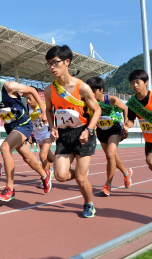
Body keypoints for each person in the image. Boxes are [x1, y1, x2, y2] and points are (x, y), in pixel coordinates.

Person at [0, 58, 53, 202]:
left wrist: (43, 112)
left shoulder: (8, 86)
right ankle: (45, 175)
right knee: (27, 157)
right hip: (10, 126)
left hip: (23, 123)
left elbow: (32, 90)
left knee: (5, 148)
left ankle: (10, 189)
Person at [43, 45, 101, 218]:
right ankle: (80, 176)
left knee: (81, 179)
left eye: (55, 63)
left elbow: (97, 110)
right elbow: (49, 110)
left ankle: (89, 204)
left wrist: (88, 130)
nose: (52, 67)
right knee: (60, 176)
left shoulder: (82, 88)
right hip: (64, 135)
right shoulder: (49, 90)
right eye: (49, 64)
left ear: (67, 62)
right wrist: (52, 127)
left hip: (83, 133)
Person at [122, 69, 152, 197]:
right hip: (149, 137)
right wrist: (127, 126)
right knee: (151, 166)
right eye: (132, 83)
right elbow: (131, 120)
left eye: (138, 82)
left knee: (151, 160)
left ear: (146, 82)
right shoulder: (132, 103)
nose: (135, 85)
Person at [85, 77, 133, 196]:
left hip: (114, 128)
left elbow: (125, 109)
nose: (92, 94)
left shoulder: (111, 100)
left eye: (94, 92)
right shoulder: (89, 101)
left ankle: (108, 185)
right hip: (101, 130)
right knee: (112, 156)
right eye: (89, 91)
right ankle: (126, 172)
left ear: (101, 90)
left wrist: (126, 125)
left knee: (110, 154)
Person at [24, 86, 55, 189]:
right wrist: (29, 135)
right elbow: (29, 121)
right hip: (37, 134)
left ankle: (46, 178)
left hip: (47, 133)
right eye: (26, 98)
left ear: (36, 96)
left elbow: (52, 116)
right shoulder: (27, 107)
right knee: (50, 158)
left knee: (42, 155)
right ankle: (63, 163)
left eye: (30, 98)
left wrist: (54, 129)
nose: (28, 101)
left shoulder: (44, 106)